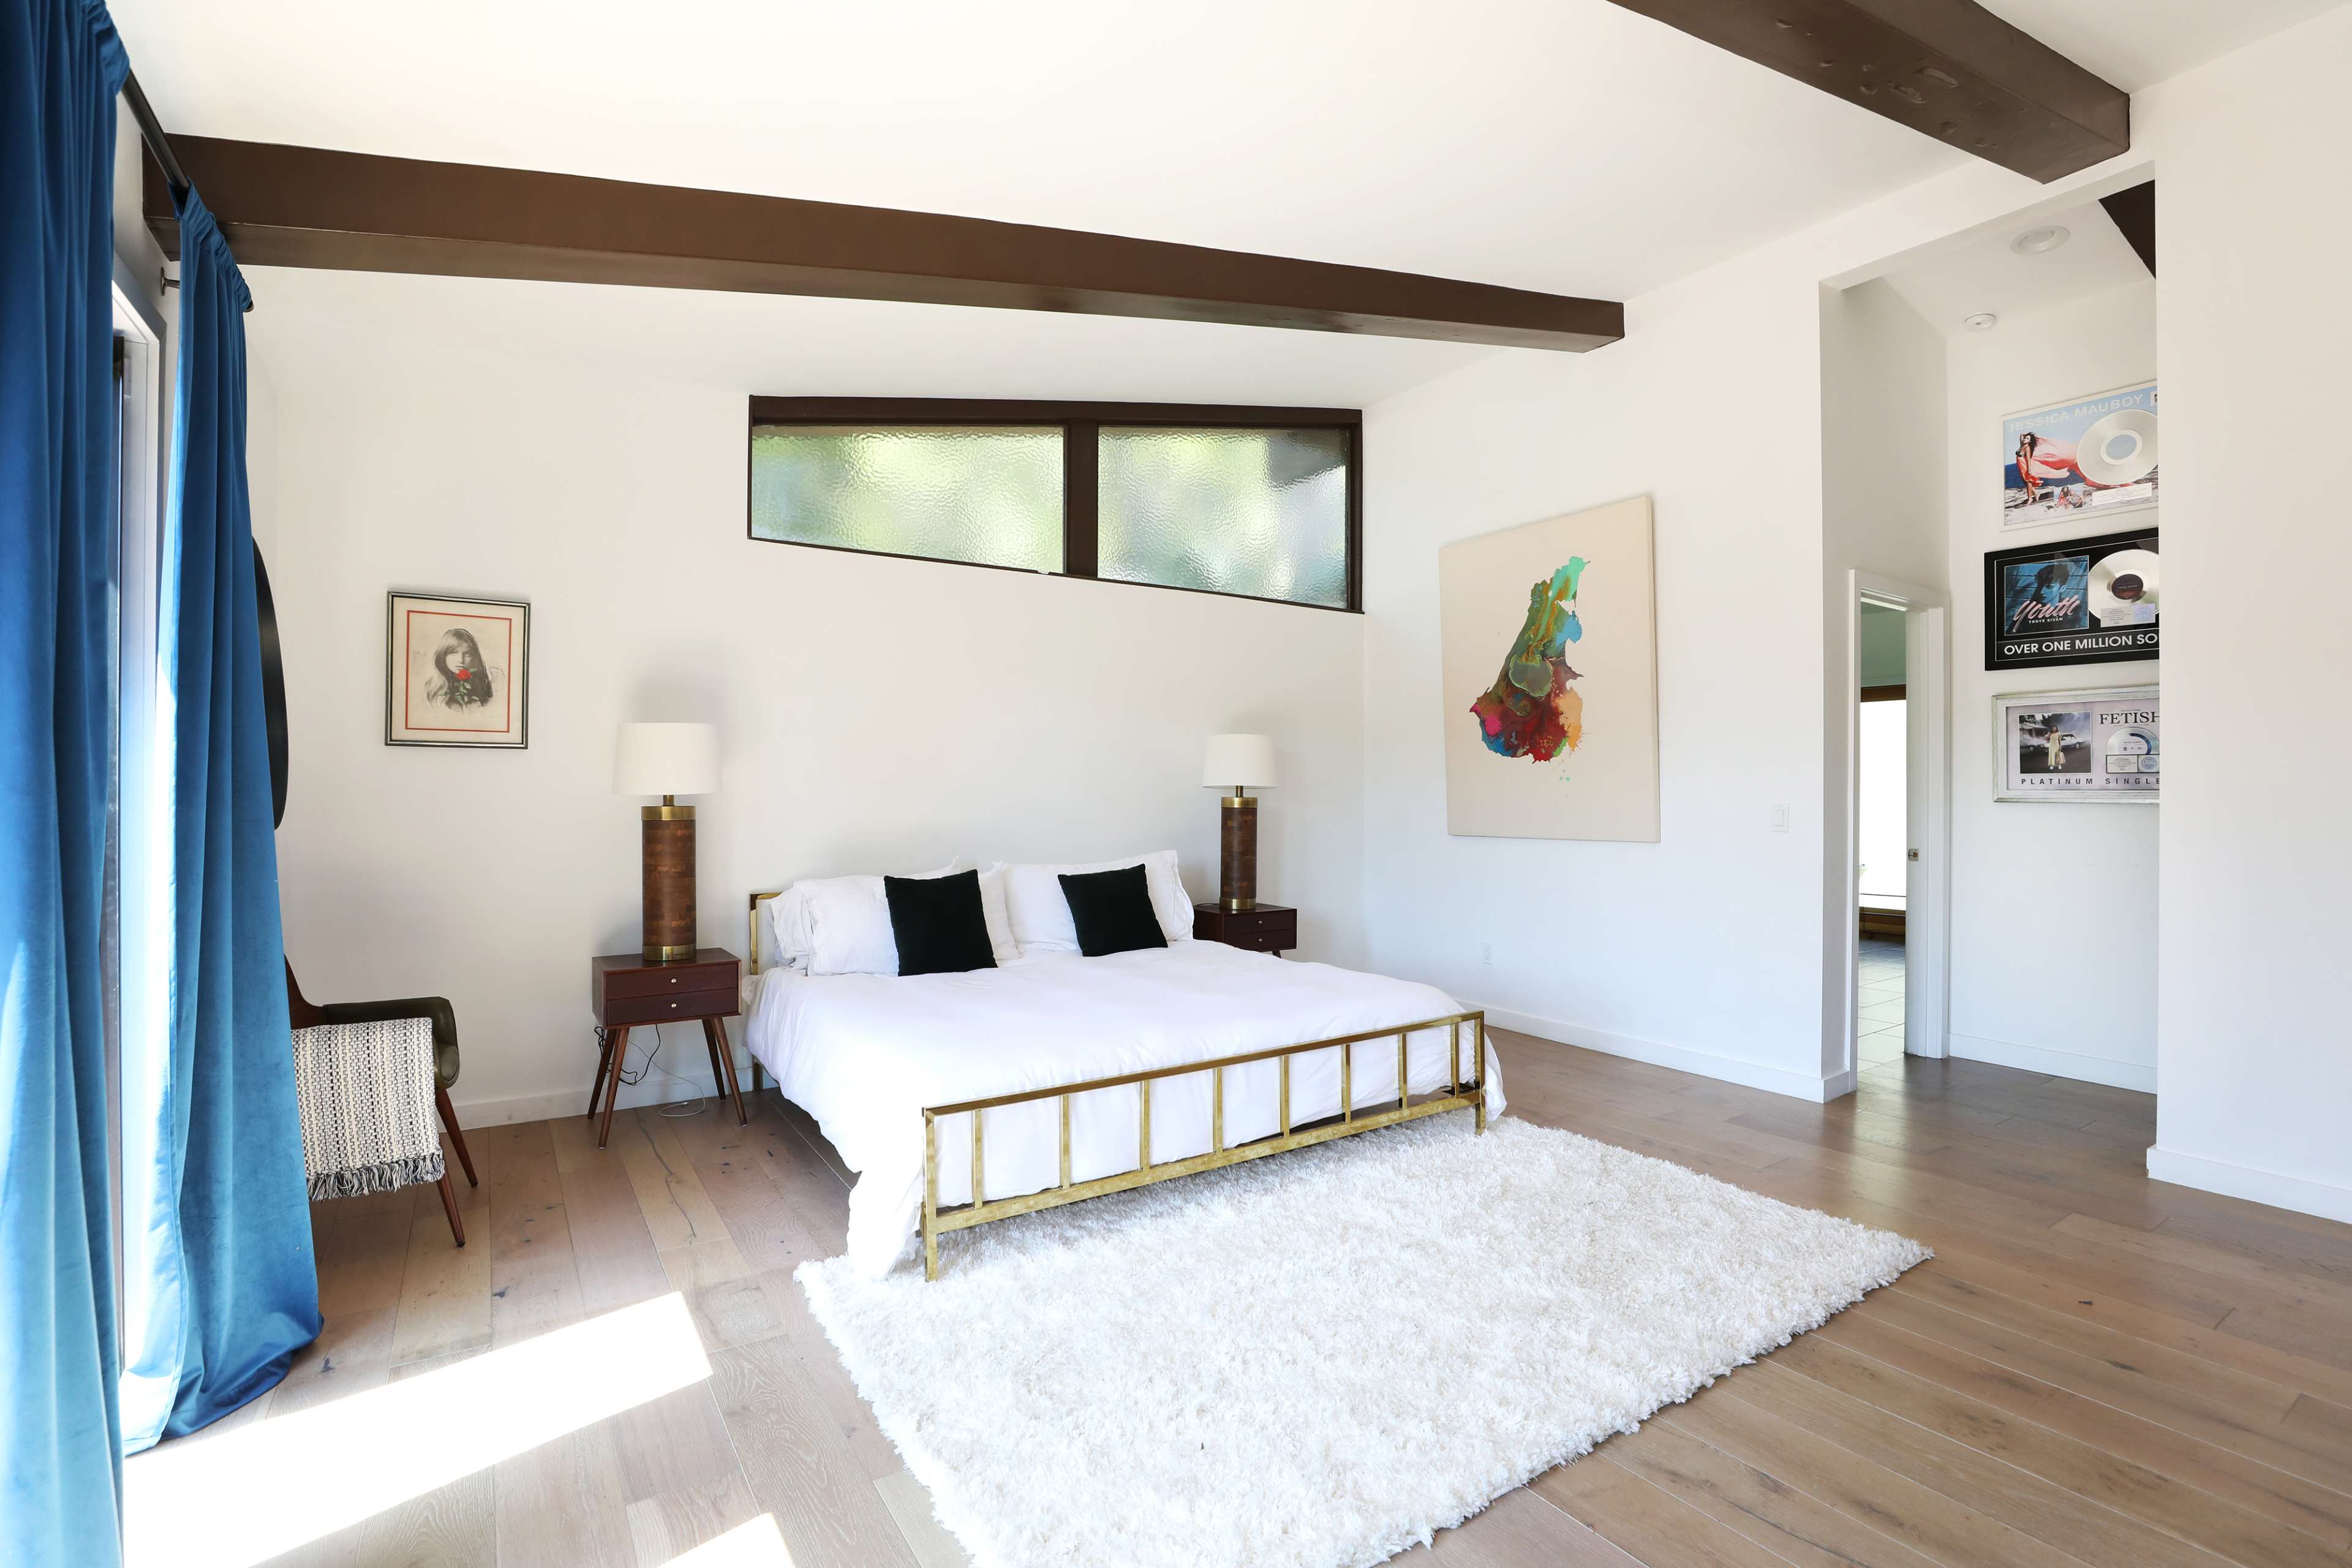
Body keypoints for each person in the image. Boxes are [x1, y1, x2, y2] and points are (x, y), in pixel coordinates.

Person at [426, 627, 496, 710]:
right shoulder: (431, 689)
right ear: (443, 655)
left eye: (467, 654)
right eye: (454, 653)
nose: (461, 660)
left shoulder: (484, 685)